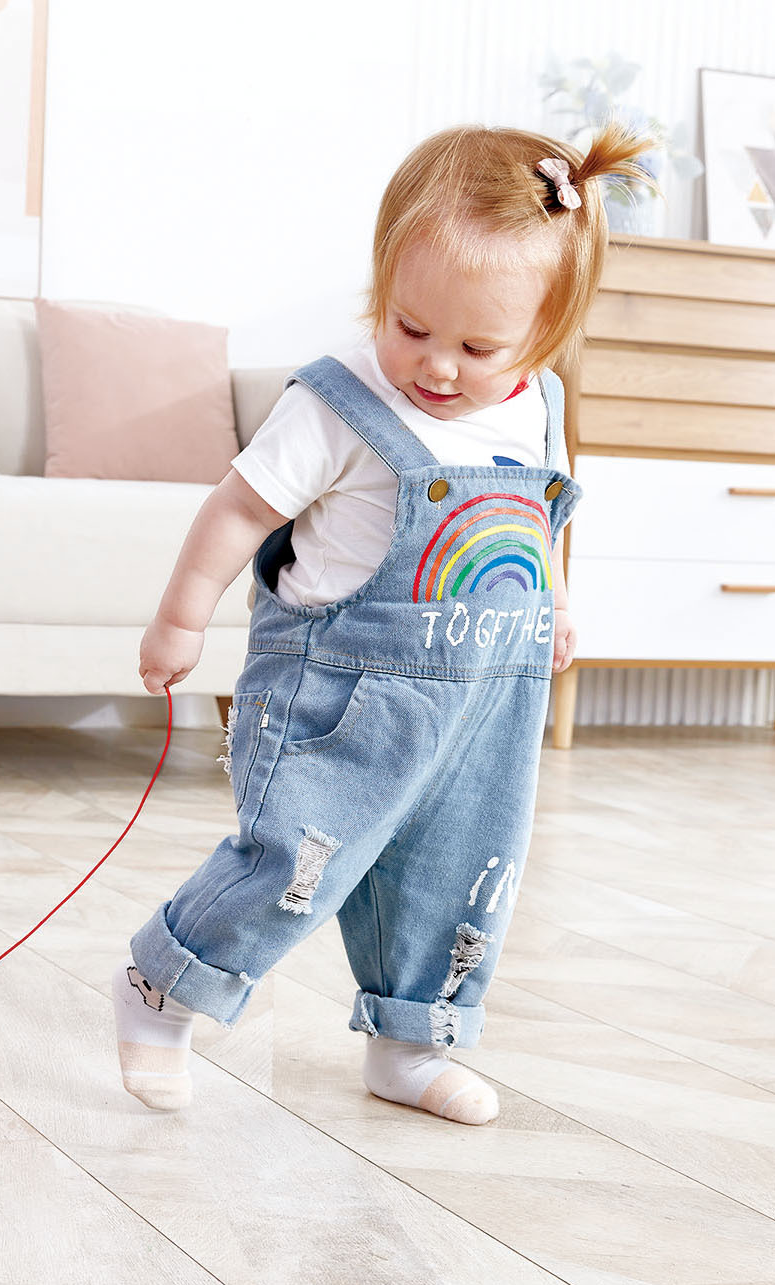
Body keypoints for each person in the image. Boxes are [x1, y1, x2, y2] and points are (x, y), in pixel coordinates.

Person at [113, 123, 656, 1124]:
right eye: (409, 326)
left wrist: (557, 605)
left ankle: (410, 1042)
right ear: (379, 288)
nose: (436, 366)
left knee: (457, 873)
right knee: (290, 862)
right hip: (338, 696)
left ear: (541, 339)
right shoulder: (337, 403)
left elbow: (535, 522)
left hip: (482, 705)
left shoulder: (536, 404)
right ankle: (162, 984)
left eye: (475, 346)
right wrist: (178, 618)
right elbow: (239, 508)